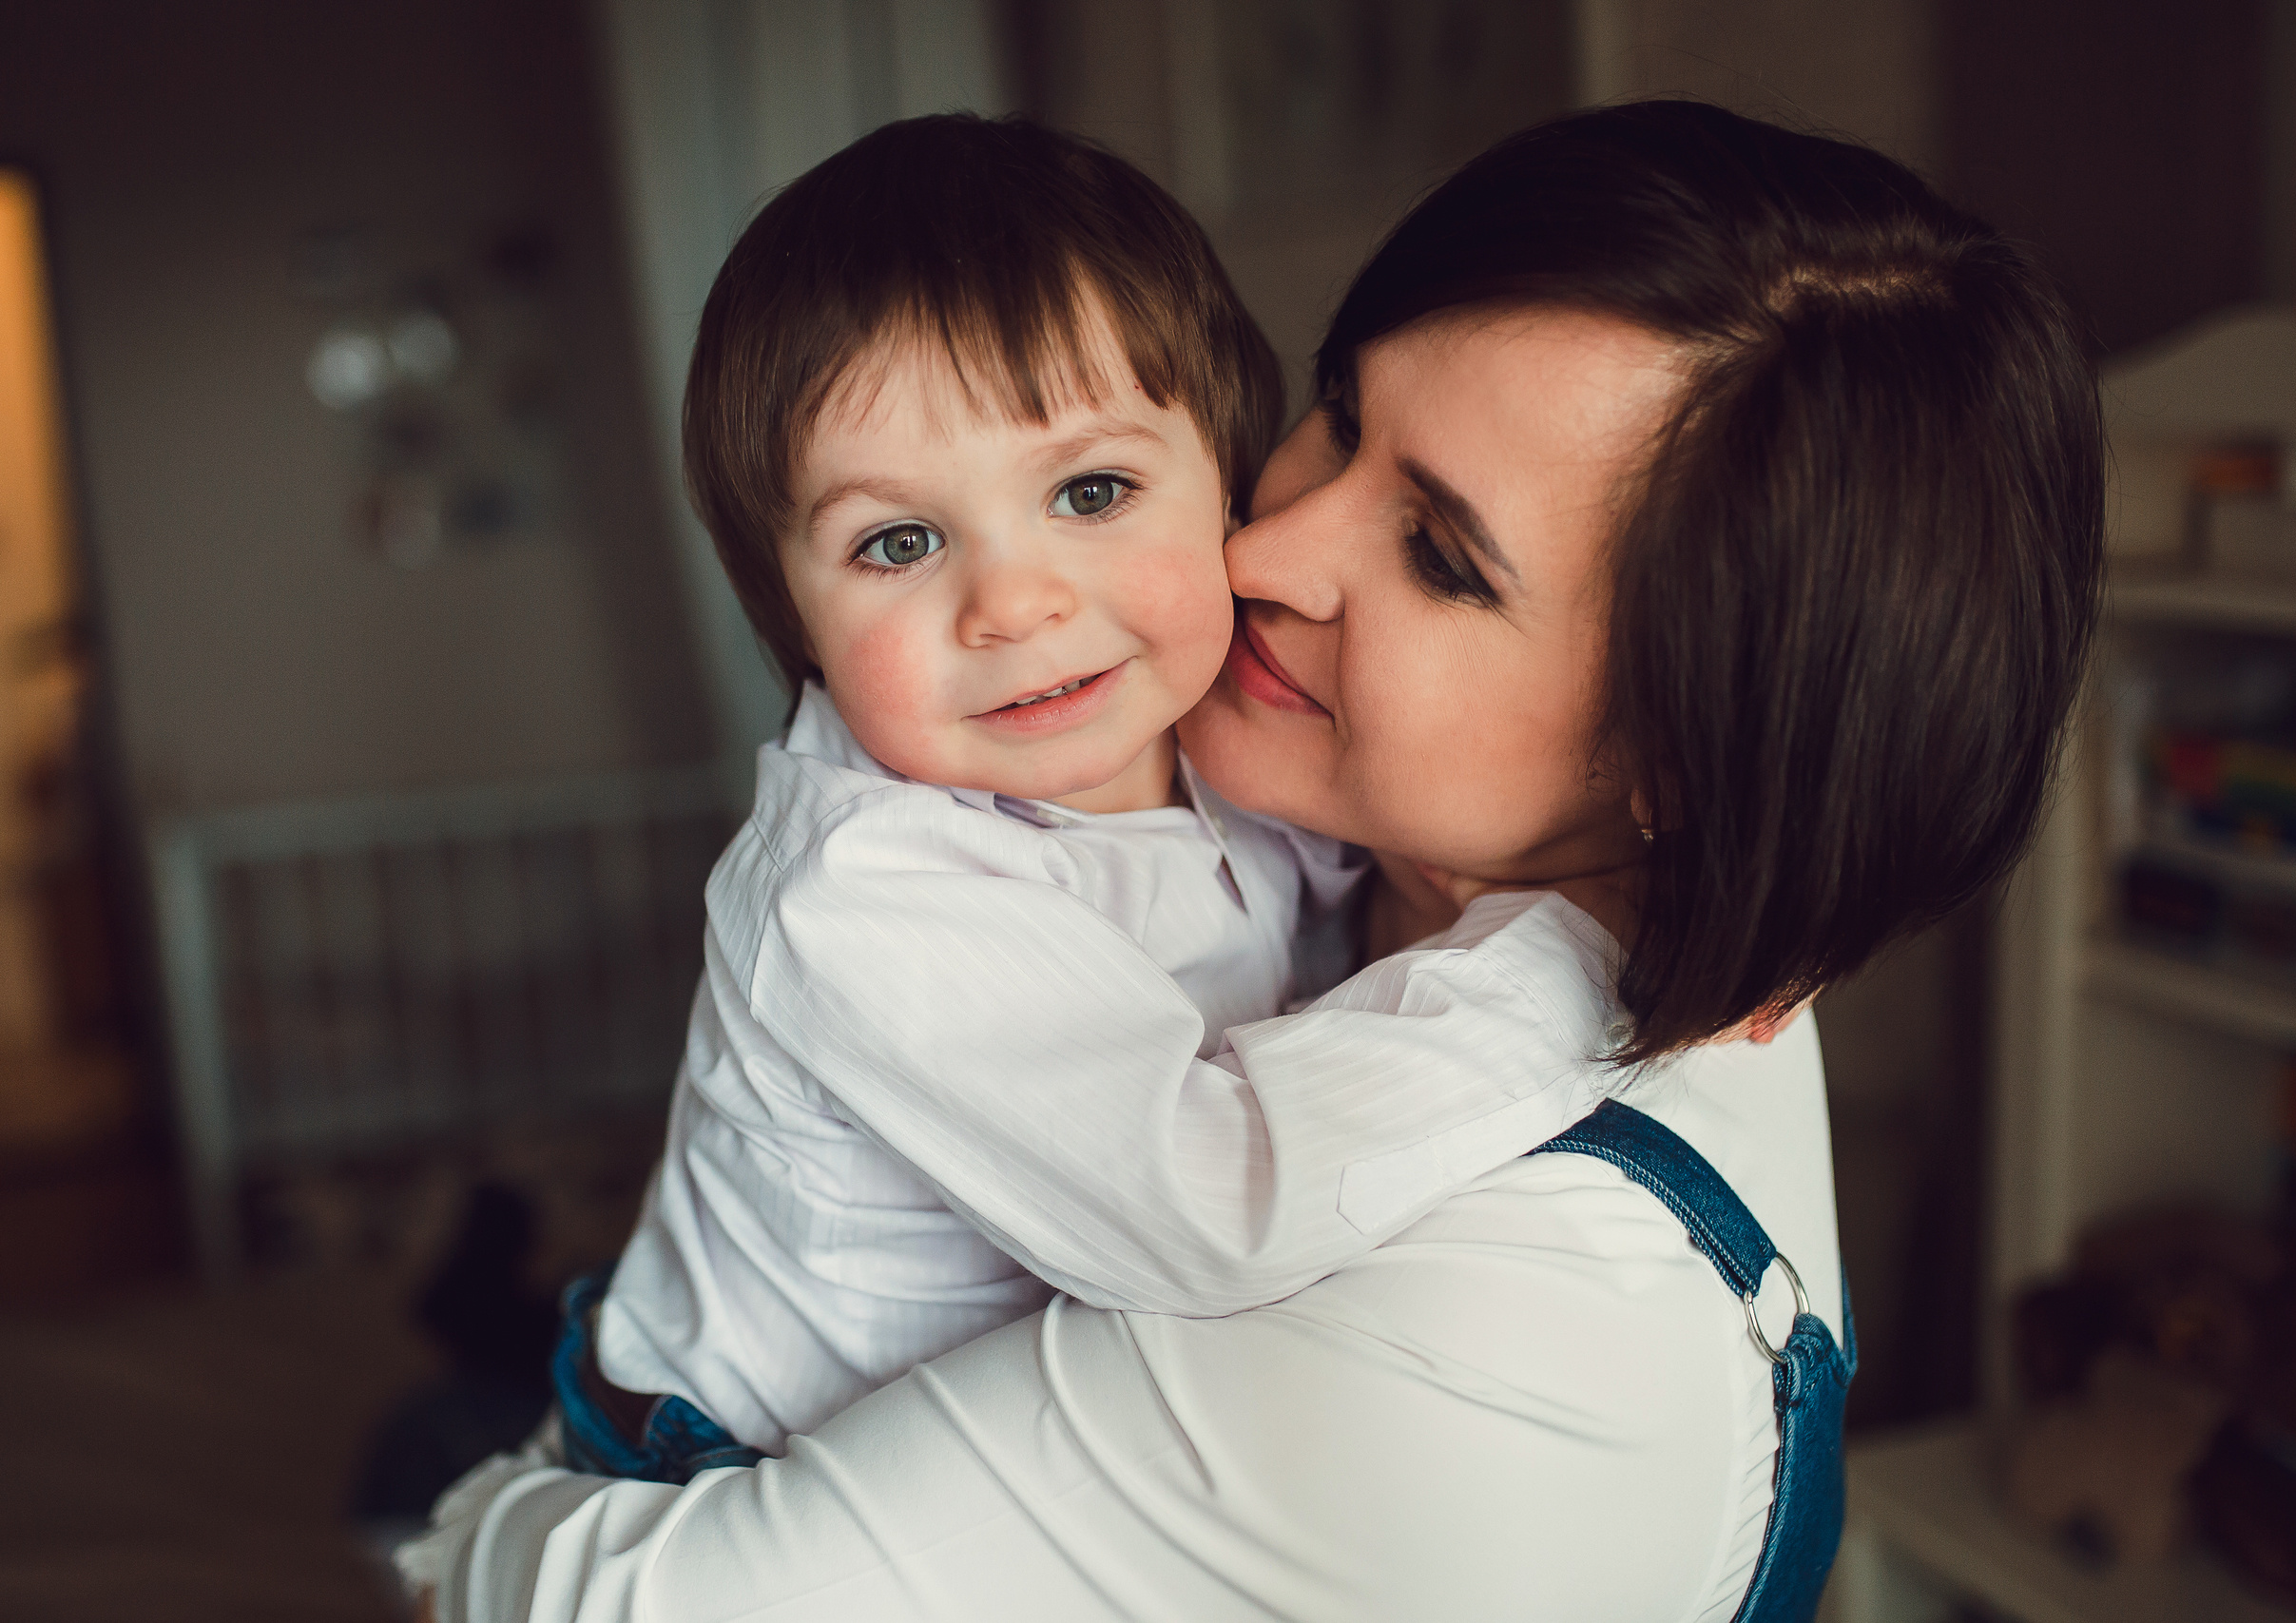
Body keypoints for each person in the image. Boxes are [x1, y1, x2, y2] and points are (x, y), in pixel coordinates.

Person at [411, 100, 2102, 1621]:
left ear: (1684, 755)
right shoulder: (895, 881)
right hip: (704, 1436)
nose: (1267, 544)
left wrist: (472, 1543)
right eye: (1332, 415)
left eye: (1440, 555)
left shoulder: (1498, 1338)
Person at [553, 113, 1632, 1482]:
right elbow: (1215, 1206)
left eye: (1092, 489)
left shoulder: (1236, 737)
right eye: (899, 540)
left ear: (1225, 481)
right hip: (727, 1445)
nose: (1014, 603)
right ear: (792, 612)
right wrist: (1587, 950)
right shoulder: (864, 892)